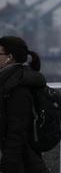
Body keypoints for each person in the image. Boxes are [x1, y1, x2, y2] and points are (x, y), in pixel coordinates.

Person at [0, 36, 50, 173]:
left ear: (9, 57)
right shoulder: (9, 81)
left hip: (20, 161)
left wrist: (7, 164)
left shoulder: (17, 87)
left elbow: (17, 130)